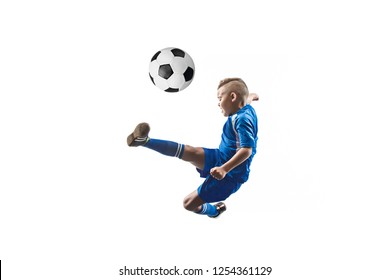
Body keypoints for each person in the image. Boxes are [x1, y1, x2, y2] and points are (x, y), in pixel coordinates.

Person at [127, 78, 258, 218]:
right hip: (221, 156)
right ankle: (144, 141)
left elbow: (246, 150)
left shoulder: (242, 119)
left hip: (231, 175)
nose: (218, 103)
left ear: (232, 97)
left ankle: (215, 211)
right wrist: (249, 97)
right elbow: (245, 102)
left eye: (220, 98)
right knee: (190, 151)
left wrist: (224, 169)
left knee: (188, 203)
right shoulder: (245, 108)